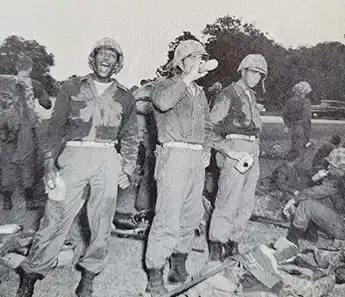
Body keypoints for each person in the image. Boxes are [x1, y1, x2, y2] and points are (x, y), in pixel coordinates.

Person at [15, 38, 139, 297]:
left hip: (107, 159)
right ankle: (32, 273)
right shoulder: (71, 87)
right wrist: (49, 162)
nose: (106, 59)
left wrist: (127, 168)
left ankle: (89, 276)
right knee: (55, 215)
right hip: (73, 156)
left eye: (112, 56)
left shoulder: (125, 96)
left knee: (102, 221)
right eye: (101, 54)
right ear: (93, 58)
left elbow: (129, 136)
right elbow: (55, 127)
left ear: (118, 63)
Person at [144, 40, 214, 296]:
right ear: (180, 62)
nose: (199, 61)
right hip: (173, 155)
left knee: (191, 214)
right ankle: (154, 274)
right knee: (167, 217)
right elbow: (163, 103)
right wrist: (186, 80)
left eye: (202, 57)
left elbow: (208, 126)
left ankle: (179, 264)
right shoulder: (164, 85)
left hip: (196, 158)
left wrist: (206, 148)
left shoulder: (200, 93)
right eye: (193, 57)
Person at [207, 54, 268, 261]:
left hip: (252, 149)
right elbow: (209, 127)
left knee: (245, 201)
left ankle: (233, 242)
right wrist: (228, 151)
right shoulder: (229, 93)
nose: (256, 77)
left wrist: (255, 149)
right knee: (228, 199)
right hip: (235, 147)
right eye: (253, 72)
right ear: (243, 71)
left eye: (260, 74)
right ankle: (216, 244)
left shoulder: (252, 96)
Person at [0, 55, 51, 211]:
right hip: (26, 127)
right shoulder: (34, 84)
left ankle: (7, 201)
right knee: (28, 162)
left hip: (7, 126)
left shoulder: (4, 82)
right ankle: (29, 201)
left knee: (7, 162)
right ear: (29, 68)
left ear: (16, 67)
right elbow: (47, 104)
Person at [283, 148, 345, 247]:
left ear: (341, 168)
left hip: (342, 227)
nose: (328, 167)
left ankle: (291, 241)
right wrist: (319, 180)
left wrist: (293, 200)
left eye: (332, 165)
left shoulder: (339, 183)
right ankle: (310, 236)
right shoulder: (340, 178)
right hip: (341, 221)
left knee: (306, 205)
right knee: (320, 200)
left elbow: (313, 192)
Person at [283, 81, 312, 160]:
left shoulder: (290, 101)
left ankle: (291, 160)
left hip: (293, 126)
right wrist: (308, 134)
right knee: (302, 146)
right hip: (302, 127)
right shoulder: (306, 102)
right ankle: (298, 163)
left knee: (294, 144)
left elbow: (284, 114)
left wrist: (287, 124)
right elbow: (307, 119)